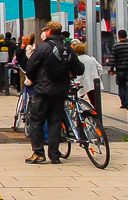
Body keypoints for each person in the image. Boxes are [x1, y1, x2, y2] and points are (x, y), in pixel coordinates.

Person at [24, 21, 85, 164]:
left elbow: (30, 67)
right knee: (55, 122)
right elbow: (79, 69)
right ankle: (54, 155)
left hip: (43, 90)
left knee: (37, 121)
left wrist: (33, 80)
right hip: (61, 90)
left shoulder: (43, 47)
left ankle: (38, 153)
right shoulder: (68, 48)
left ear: (49, 32)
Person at [110, 30, 128, 109]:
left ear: (119, 36)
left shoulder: (116, 46)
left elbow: (113, 59)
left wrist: (112, 69)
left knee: (121, 86)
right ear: (126, 35)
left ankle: (124, 103)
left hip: (120, 70)